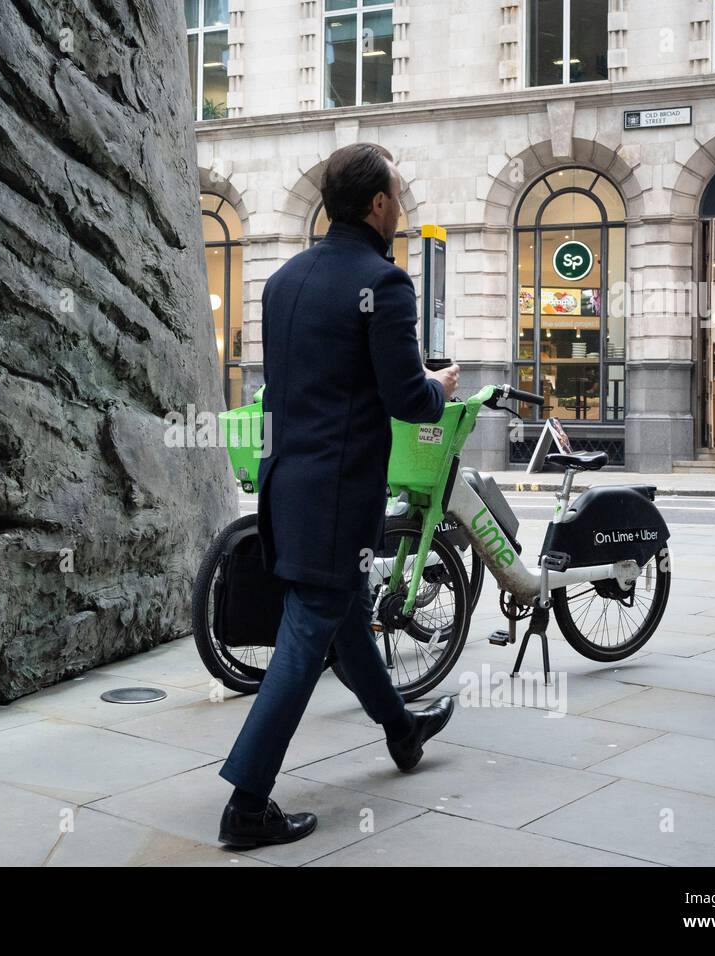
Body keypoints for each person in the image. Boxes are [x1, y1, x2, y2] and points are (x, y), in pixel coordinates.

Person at [218, 143, 462, 849]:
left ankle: (402, 729)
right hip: (335, 499)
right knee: (307, 635)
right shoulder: (384, 285)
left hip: (284, 483)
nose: (402, 209)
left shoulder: (283, 279)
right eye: (398, 197)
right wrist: (437, 387)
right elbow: (406, 399)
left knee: (348, 620)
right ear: (379, 206)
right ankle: (247, 802)